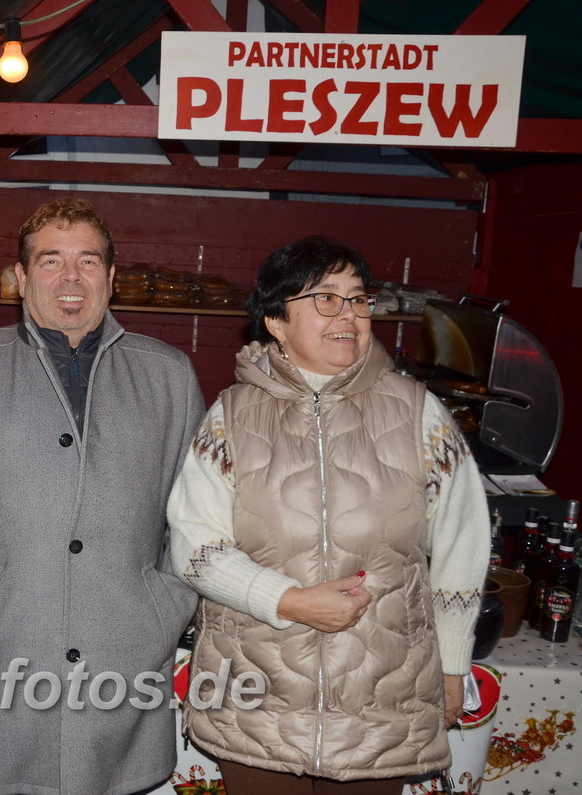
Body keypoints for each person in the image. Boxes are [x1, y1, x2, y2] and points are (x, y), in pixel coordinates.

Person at [0, 197, 205, 795]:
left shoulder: (168, 375)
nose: (71, 278)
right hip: (1, 666)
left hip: (127, 670)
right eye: (51, 261)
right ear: (20, 276)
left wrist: (161, 612)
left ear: (111, 277)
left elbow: (197, 522)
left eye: (88, 261)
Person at [167, 235, 490, 794]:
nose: (348, 314)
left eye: (358, 298)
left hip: (382, 707)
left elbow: (464, 541)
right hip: (255, 702)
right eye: (325, 298)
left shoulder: (419, 414)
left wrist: (453, 662)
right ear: (276, 321)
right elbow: (195, 547)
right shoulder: (231, 417)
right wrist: (288, 601)